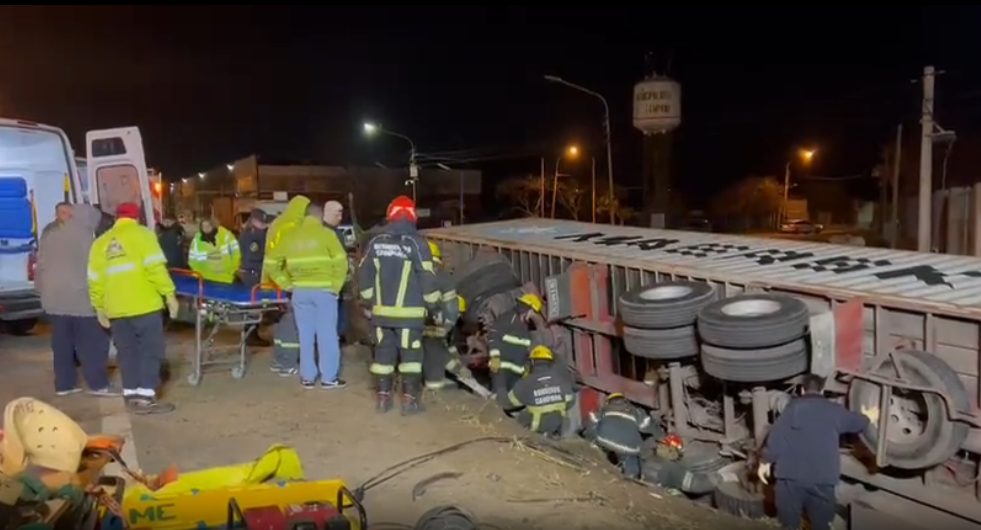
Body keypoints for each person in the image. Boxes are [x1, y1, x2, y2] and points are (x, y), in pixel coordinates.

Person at [87, 202, 179, 415]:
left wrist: (99, 307)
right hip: (144, 306)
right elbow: (155, 269)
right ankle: (146, 397)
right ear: (136, 217)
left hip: (116, 310)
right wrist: (169, 295)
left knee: (127, 351)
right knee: (150, 350)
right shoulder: (144, 236)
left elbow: (94, 280)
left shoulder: (100, 243)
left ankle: (131, 394)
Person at [758, 374, 878, 530]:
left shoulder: (791, 410)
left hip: (790, 479)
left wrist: (765, 462)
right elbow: (857, 422)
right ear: (822, 391)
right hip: (822, 479)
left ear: (802, 390)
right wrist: (868, 417)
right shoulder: (835, 411)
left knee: (789, 524)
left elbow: (776, 438)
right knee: (822, 524)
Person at [358, 195, 440, 415]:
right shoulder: (418, 244)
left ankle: (383, 400)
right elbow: (427, 278)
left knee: (383, 355)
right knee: (411, 358)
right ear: (413, 217)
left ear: (390, 216)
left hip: (381, 314)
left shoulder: (375, 242)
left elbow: (364, 275)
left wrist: (368, 300)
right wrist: (434, 306)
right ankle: (409, 402)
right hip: (409, 316)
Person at [37, 204, 115, 397]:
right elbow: (96, 269)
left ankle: (64, 385)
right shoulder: (87, 238)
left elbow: (41, 265)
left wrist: (42, 291)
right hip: (80, 299)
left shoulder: (51, 234)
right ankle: (98, 385)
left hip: (53, 298)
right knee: (93, 343)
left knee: (62, 343)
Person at [267, 202, 348, 389]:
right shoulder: (327, 235)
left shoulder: (289, 236)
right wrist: (335, 286)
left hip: (300, 292)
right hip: (324, 292)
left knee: (305, 336)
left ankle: (307, 377)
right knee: (327, 335)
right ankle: (329, 378)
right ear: (319, 217)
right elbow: (341, 262)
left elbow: (271, 263)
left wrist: (287, 284)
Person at [264, 196, 311, 375]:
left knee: (284, 322)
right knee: (292, 322)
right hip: (287, 281)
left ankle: (280, 359)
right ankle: (288, 362)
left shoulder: (278, 223)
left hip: (274, 281)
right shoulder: (291, 226)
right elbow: (288, 256)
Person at [503, 345, 575, 438]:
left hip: (535, 427)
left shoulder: (526, 382)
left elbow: (508, 404)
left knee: (519, 414)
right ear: (550, 362)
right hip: (557, 426)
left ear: (532, 363)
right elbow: (571, 401)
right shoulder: (560, 379)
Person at [486, 293, 544, 404]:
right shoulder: (508, 318)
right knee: (500, 397)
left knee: (512, 401)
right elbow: (494, 335)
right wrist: (495, 357)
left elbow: (527, 350)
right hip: (501, 369)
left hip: (517, 374)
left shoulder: (527, 328)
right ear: (529, 309)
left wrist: (527, 367)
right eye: (533, 312)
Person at [422, 240, 463, 390]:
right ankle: (434, 385)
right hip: (431, 323)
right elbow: (451, 307)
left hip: (408, 323)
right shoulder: (442, 275)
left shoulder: (409, 272)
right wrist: (448, 325)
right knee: (433, 347)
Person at [584, 392, 655, 478]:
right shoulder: (635, 410)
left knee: (601, 448)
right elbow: (644, 426)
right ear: (625, 400)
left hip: (605, 440)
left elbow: (592, 418)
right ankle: (631, 475)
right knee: (631, 457)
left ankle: (601, 463)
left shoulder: (605, 408)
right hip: (628, 447)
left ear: (609, 401)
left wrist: (589, 436)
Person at [322, 200, 348, 341]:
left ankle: (338, 334)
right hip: (328, 282)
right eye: (338, 214)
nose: (340, 218)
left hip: (338, 282)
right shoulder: (323, 233)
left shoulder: (337, 233)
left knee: (339, 310)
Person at [188, 219, 240, 284]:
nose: (206, 228)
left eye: (208, 226)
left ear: (213, 225)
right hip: (205, 279)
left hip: (225, 278)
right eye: (203, 226)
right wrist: (197, 275)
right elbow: (192, 259)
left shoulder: (226, 235)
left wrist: (233, 270)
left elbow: (236, 254)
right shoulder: (197, 239)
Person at [238, 209, 271, 288]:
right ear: (253, 221)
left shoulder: (257, 233)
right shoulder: (252, 235)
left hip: (253, 273)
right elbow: (253, 257)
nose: (265, 225)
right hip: (253, 274)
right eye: (261, 222)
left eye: (265, 222)